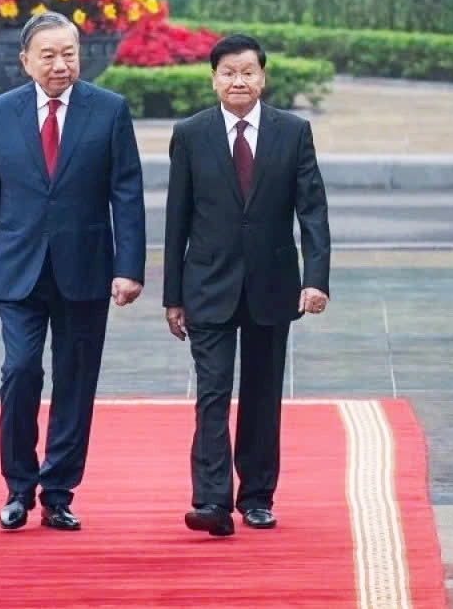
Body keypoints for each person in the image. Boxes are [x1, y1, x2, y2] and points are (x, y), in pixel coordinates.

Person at [0, 11, 147, 532]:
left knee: (76, 380)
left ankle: (59, 491)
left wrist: (129, 267)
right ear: (25, 62)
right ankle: (18, 486)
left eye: (69, 53)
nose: (60, 64)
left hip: (85, 268)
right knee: (19, 371)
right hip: (16, 269)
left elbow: (126, 193)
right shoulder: (0, 113)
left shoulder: (108, 111)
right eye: (48, 55)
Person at [162, 34, 331, 537]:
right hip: (208, 284)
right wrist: (173, 296)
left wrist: (315, 279)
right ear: (213, 79)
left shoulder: (292, 132)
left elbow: (312, 210)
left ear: (263, 76)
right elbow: (177, 220)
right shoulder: (190, 134)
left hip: (272, 284)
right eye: (228, 73)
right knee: (211, 394)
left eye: (248, 72)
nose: (239, 81)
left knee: (262, 394)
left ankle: (257, 496)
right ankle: (211, 502)